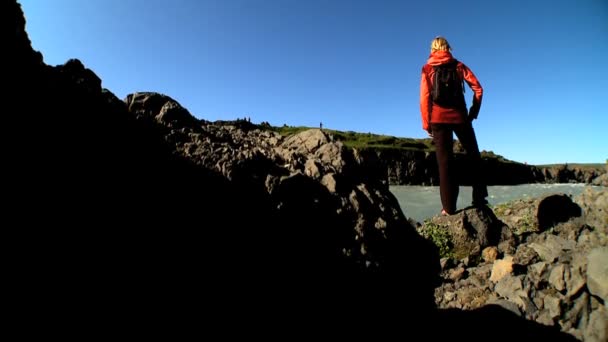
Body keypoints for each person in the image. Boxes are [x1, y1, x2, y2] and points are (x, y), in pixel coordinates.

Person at [419, 36, 488, 215]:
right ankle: (479, 199)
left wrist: (427, 124)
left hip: (438, 120)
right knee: (474, 156)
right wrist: (473, 112)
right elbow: (478, 88)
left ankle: (449, 208)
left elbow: (424, 98)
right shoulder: (458, 65)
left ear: (432, 49)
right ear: (448, 48)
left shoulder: (427, 69)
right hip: (460, 117)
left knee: (445, 164)